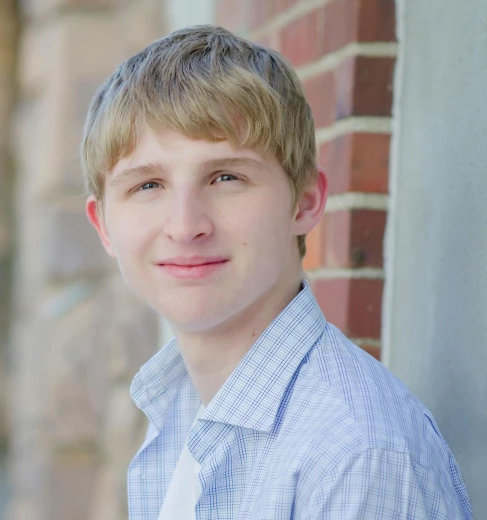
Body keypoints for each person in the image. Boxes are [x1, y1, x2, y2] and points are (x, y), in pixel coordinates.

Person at [81, 25, 472, 520]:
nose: (185, 226)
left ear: (305, 202)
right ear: (104, 226)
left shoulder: (357, 456)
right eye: (148, 185)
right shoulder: (182, 405)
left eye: (226, 177)